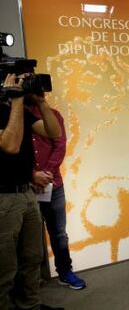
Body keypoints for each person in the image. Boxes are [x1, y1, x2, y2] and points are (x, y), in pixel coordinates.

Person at [0, 73, 64, 310]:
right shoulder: (13, 109)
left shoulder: (17, 111)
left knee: (32, 256)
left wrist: (41, 101)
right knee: (5, 264)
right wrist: (16, 101)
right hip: (3, 197)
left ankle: (30, 305)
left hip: (26, 193)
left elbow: (53, 132)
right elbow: (10, 145)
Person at [27, 100, 86, 290]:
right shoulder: (12, 117)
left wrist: (47, 173)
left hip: (53, 185)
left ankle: (64, 272)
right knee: (28, 237)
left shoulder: (52, 115)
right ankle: (30, 281)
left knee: (59, 233)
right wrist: (31, 175)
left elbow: (60, 144)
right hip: (24, 186)